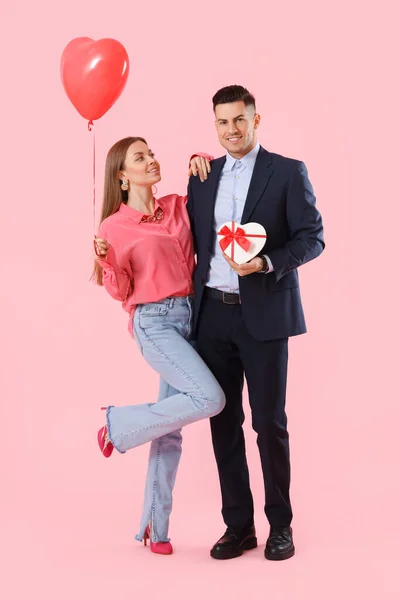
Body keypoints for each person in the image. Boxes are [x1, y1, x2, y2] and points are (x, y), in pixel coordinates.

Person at [187, 85, 325, 561]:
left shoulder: (287, 172)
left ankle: (280, 526)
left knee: (269, 424)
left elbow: (313, 238)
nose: (231, 130)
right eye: (222, 122)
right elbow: (186, 237)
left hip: (264, 316)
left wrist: (267, 263)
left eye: (239, 120)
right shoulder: (203, 176)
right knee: (223, 422)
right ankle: (238, 525)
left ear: (256, 119)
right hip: (211, 317)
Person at [94, 136, 225, 555]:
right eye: (140, 157)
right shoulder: (113, 226)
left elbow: (208, 185)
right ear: (122, 174)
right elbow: (120, 291)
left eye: (150, 153)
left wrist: (199, 159)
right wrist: (106, 262)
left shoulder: (176, 206)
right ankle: (118, 425)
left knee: (170, 431)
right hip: (154, 324)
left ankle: (155, 526)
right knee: (209, 398)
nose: (151, 160)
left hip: (191, 319)